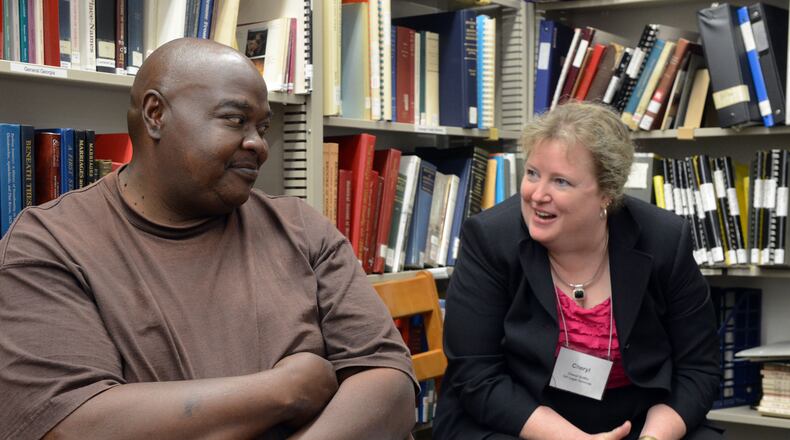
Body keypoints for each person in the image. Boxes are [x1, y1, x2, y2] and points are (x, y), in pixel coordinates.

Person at [0, 38, 416, 440]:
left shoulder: (301, 229)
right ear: (155, 115)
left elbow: (390, 386)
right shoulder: (49, 244)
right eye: (235, 120)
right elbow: (71, 426)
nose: (258, 144)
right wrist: (289, 389)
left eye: (263, 126)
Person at [433, 102, 721, 440]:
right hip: (517, 418)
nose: (538, 195)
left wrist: (654, 437)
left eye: (561, 182)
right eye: (532, 174)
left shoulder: (664, 239)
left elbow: (697, 368)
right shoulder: (490, 239)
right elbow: (476, 375)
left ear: (606, 194)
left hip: (633, 421)